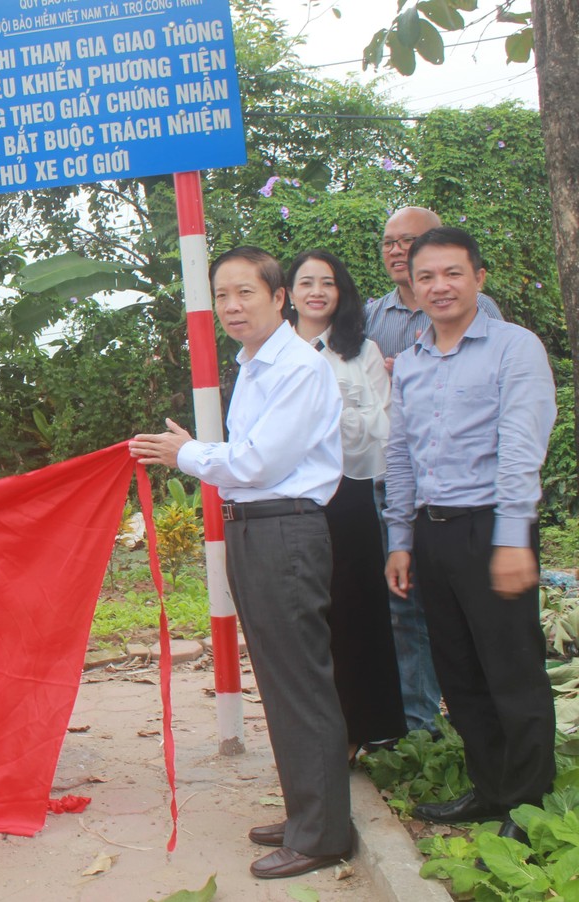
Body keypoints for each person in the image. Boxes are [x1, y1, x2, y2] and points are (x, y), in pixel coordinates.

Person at [130, 247, 350, 880]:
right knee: (280, 679)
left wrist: (188, 453)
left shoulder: (298, 369)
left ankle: (323, 833)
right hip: (257, 530)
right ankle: (310, 812)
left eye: (245, 293)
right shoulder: (254, 365)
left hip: (286, 529)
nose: (231, 306)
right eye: (221, 295)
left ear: (279, 299)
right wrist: (199, 453)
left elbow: (258, 464)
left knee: (300, 680)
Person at [384, 227, 556, 844]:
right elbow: (399, 454)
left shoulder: (515, 348)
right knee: (459, 671)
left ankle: (529, 805)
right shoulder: (409, 360)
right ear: (413, 284)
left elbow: (520, 448)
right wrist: (399, 539)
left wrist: (513, 537)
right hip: (431, 534)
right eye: (426, 276)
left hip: (493, 528)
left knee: (512, 669)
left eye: (453, 273)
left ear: (479, 278)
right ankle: (489, 789)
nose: (439, 287)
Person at [365, 206, 503, 734]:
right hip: (399, 484)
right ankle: (420, 725)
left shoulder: (480, 310)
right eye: (390, 242)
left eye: (411, 241)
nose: (398, 250)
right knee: (408, 608)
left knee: (481, 619)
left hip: (470, 495)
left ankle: (503, 743)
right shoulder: (373, 315)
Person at [285, 250, 406, 752]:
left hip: (347, 496)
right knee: (300, 620)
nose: (317, 291)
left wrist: (331, 412)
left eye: (328, 283)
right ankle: (310, 736)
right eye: (306, 282)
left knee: (354, 612)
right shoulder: (269, 351)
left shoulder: (363, 352)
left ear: (341, 293)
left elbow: (382, 429)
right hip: (288, 501)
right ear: (287, 293)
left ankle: (362, 731)